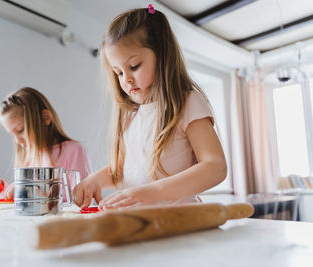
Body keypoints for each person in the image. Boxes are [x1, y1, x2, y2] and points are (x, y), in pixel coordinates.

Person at [73, 5, 227, 210]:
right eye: (118, 72)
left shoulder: (188, 102)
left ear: (162, 55)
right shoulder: (130, 113)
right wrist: (94, 180)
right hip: (139, 223)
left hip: (178, 222)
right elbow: (122, 170)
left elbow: (215, 166)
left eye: (134, 66)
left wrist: (153, 192)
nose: (126, 80)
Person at [0, 87, 92, 200]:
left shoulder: (74, 150)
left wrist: (31, 190)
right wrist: (0, 188)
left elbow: (80, 199)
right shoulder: (30, 155)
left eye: (21, 130)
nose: (17, 141)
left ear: (45, 118)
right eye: (13, 135)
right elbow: (20, 196)